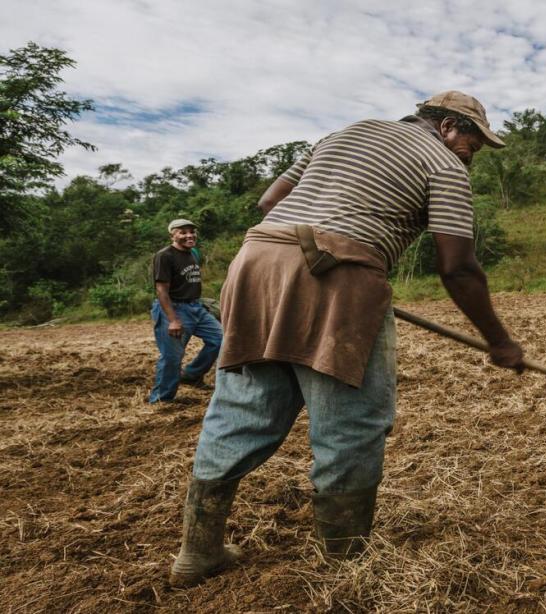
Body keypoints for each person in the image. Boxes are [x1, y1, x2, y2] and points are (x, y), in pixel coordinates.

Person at [169, 91, 525, 588]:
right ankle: (345, 564)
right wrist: (500, 342)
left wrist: (316, 256)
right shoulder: (443, 163)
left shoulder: (341, 134)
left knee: (242, 410)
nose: (473, 154)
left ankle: (198, 550)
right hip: (337, 278)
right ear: (447, 126)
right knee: (350, 421)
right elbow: (458, 266)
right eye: (473, 142)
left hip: (257, 263)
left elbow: (271, 203)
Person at [148, 219, 223, 404]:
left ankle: (191, 375)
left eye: (192, 231)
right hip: (174, 309)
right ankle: (161, 399)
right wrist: (173, 320)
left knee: (220, 340)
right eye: (182, 232)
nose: (189, 235)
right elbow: (161, 290)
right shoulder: (164, 256)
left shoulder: (194, 253)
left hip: (196, 307)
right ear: (172, 235)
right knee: (172, 356)